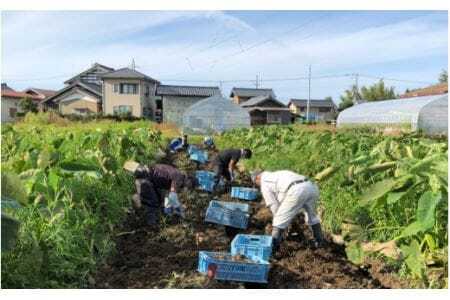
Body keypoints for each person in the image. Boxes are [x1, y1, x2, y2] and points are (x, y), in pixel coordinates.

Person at [251, 170, 324, 251]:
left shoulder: (264, 183)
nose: (257, 185)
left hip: (297, 190)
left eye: (255, 183)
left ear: (257, 178)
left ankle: (274, 249)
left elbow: (273, 205)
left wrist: (281, 220)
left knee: (278, 220)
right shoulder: (277, 174)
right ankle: (319, 242)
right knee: (312, 217)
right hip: (311, 186)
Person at [124, 161, 197, 226]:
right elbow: (172, 196)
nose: (187, 188)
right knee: (152, 202)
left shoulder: (178, 175)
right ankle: (151, 224)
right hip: (144, 177)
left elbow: (167, 194)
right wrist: (179, 209)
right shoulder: (179, 178)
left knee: (158, 199)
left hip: (148, 177)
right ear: (188, 180)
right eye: (190, 185)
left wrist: (167, 206)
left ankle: (143, 212)